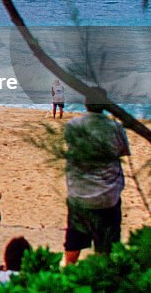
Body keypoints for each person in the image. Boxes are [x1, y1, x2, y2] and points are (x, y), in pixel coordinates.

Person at [63, 91, 130, 263]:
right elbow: (123, 151)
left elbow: (71, 145)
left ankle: (66, 273)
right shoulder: (115, 127)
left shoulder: (74, 125)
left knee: (73, 244)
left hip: (79, 194)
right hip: (108, 197)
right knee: (105, 249)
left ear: (86, 103)